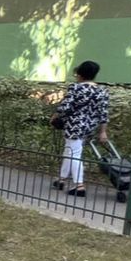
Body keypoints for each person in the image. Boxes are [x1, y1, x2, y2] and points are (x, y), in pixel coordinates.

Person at [52, 59, 109, 197]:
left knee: (74, 154)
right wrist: (103, 131)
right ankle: (62, 179)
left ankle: (79, 185)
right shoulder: (102, 91)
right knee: (70, 150)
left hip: (74, 125)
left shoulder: (76, 88)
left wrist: (55, 116)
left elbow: (65, 106)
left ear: (80, 74)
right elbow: (103, 113)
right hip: (89, 126)